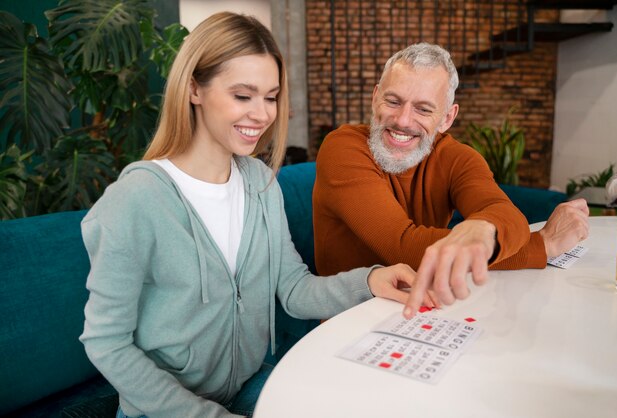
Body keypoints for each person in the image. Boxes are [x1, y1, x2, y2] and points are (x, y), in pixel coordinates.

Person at [80, 12, 419, 418]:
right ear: (194, 89)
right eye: (243, 96)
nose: (262, 114)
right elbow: (106, 341)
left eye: (271, 96)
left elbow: (293, 288)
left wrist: (370, 280)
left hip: (247, 385)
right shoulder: (135, 200)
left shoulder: (259, 183)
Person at [312, 42, 589, 318]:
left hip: (423, 312)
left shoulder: (457, 157)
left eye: (423, 109)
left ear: (446, 118)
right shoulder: (342, 147)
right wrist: (542, 245)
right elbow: (404, 248)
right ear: (375, 99)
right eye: (393, 101)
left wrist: (486, 227)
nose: (403, 120)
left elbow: (507, 215)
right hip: (349, 319)